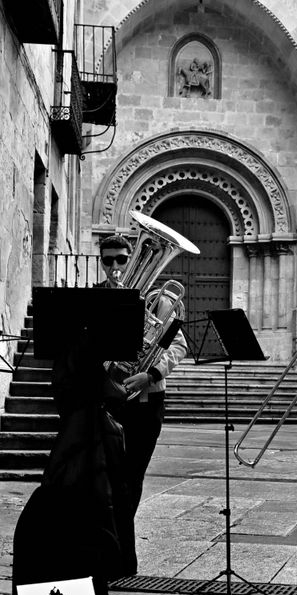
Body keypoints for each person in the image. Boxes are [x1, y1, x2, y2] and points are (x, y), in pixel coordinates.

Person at [98, 233, 188, 576]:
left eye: (123, 259)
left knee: (131, 481)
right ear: (101, 261)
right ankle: (115, 558)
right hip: (109, 400)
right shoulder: (96, 298)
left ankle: (123, 560)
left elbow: (177, 346)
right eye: (109, 260)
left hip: (147, 401)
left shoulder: (157, 300)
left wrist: (150, 373)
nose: (117, 267)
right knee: (109, 480)